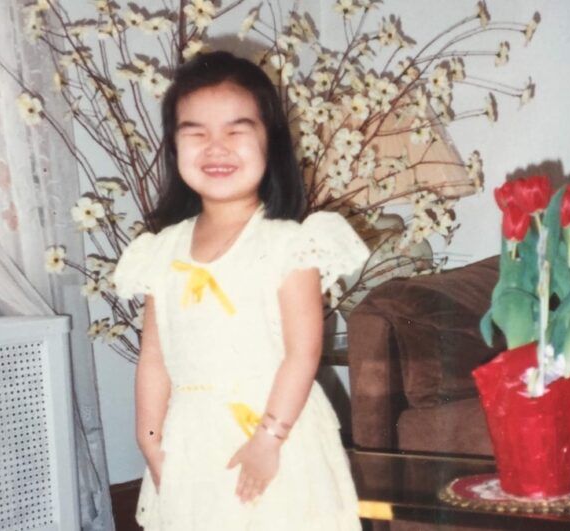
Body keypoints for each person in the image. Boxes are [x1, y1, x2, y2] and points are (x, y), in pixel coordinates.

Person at [113, 51, 368, 530]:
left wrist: (269, 439)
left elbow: (302, 352)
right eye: (196, 132)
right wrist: (150, 440)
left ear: (270, 144)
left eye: (236, 130)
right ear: (173, 147)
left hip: (276, 431)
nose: (216, 146)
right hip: (190, 438)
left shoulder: (289, 243)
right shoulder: (160, 250)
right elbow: (154, 357)